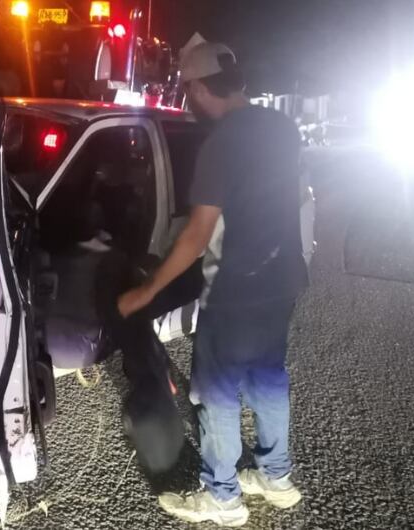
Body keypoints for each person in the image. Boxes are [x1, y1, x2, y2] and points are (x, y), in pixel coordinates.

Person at [117, 38, 308, 527]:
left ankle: (222, 496)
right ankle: (276, 477)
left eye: (187, 90)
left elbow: (196, 236)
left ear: (202, 88)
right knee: (267, 376)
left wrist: (147, 291)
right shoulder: (282, 127)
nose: (187, 100)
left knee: (216, 390)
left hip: (236, 288)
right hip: (282, 278)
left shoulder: (221, 144)